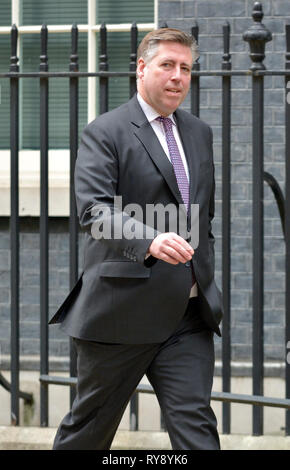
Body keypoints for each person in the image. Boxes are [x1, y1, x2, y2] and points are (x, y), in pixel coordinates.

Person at [49, 28, 223, 450]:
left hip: (187, 316)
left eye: (185, 68)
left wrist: (204, 273)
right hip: (120, 314)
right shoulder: (105, 131)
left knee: (197, 429)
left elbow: (202, 214)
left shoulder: (199, 133)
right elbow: (94, 211)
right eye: (167, 65)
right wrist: (150, 240)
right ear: (142, 68)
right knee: (88, 432)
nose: (178, 76)